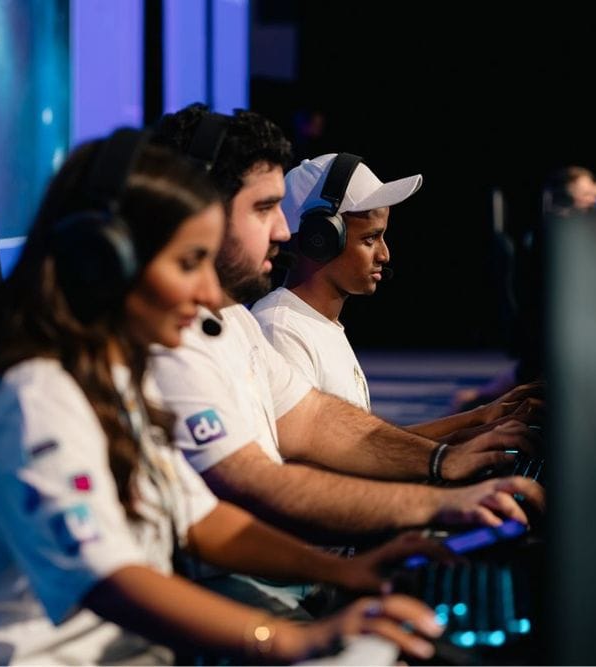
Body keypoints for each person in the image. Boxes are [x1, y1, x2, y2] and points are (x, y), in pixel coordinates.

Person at [0, 131, 451, 665]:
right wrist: (290, 640)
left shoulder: (119, 382)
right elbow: (110, 579)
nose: (210, 293)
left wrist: (343, 571)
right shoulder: (37, 398)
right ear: (107, 262)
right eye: (190, 264)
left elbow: (203, 521)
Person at [148, 104, 543, 545]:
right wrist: (435, 499)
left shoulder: (236, 322)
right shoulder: (233, 331)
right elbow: (261, 483)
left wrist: (450, 453)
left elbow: (319, 423)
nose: (283, 231)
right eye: (263, 209)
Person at [251, 153, 542, 441]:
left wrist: (481, 421)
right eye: (370, 239)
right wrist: (464, 440)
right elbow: (330, 458)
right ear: (319, 240)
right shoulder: (280, 329)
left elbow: (363, 446)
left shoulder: (317, 325)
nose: (385, 254)